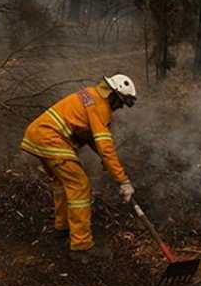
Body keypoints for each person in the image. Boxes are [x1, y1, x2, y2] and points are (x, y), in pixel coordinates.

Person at [19, 74, 137, 261]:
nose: (120, 107)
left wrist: (105, 160)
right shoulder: (100, 107)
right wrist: (124, 182)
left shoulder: (90, 95)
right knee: (80, 185)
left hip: (38, 134)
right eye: (121, 102)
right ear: (112, 95)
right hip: (51, 138)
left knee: (61, 181)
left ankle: (62, 228)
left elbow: (88, 135)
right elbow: (105, 147)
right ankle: (81, 246)